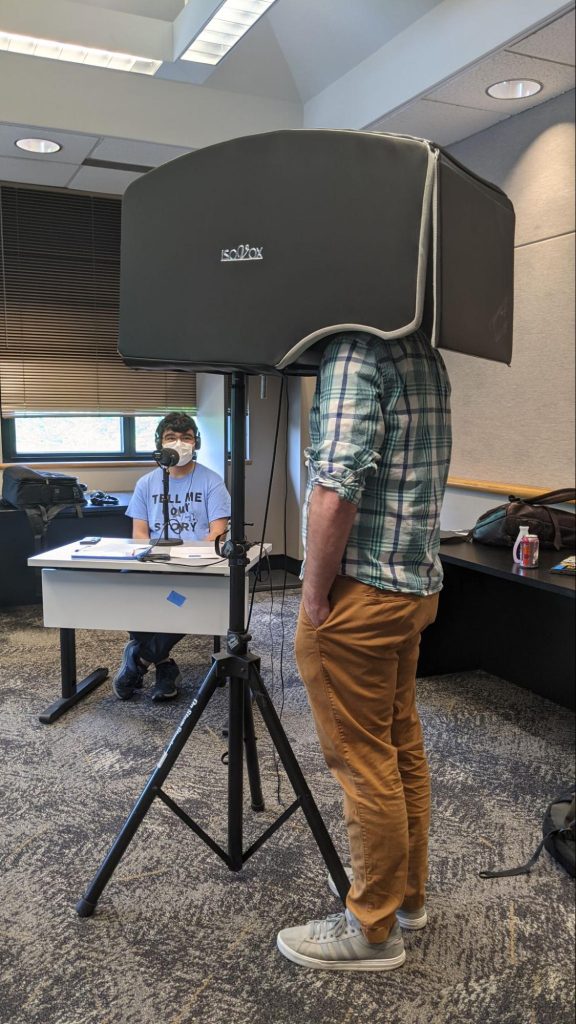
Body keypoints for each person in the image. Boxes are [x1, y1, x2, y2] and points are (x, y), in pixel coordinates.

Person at [277, 330, 452, 971]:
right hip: (410, 586)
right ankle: (404, 897)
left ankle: (370, 928)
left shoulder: (355, 354)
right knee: (398, 742)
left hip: (359, 594)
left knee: (362, 760)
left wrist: (314, 594)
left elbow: (336, 487)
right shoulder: (421, 349)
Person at [112, 411, 231, 703]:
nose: (179, 443)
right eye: (171, 438)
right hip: (155, 564)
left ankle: (140, 660)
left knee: (182, 600)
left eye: (186, 437)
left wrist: (186, 560)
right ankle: (164, 664)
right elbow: (139, 532)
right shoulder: (147, 483)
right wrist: (158, 558)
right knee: (129, 586)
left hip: (195, 569)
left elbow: (218, 532)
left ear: (196, 443)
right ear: (160, 444)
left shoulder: (211, 482)